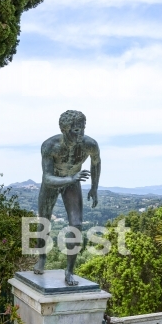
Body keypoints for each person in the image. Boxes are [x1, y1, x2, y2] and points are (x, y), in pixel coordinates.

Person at [34, 110, 101, 285]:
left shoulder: (90, 145)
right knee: (44, 221)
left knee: (77, 224)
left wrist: (94, 187)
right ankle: (42, 257)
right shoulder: (50, 145)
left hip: (73, 182)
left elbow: (96, 162)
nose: (81, 134)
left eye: (83, 129)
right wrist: (71, 178)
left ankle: (69, 270)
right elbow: (47, 177)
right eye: (76, 131)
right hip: (53, 182)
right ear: (65, 130)